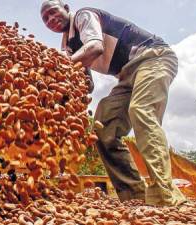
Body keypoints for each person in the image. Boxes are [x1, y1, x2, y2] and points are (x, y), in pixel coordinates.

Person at [40, 0, 187, 206]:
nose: (50, 19)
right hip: (126, 75)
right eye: (45, 19)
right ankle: (134, 196)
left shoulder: (83, 16)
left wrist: (58, 67)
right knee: (103, 127)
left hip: (153, 57)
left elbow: (95, 47)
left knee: (141, 110)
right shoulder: (68, 45)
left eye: (52, 12)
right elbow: (87, 84)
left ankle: (164, 194)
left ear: (65, 8)